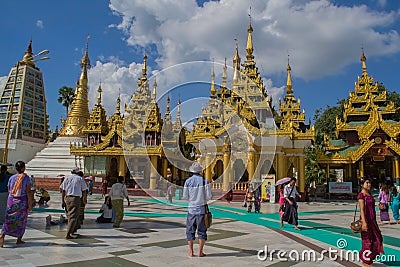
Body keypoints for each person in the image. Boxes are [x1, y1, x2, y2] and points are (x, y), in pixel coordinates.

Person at [0, 161, 33, 247]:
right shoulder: (26, 178)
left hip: (11, 200)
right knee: (21, 220)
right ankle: (19, 239)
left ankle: (2, 234)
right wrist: (30, 203)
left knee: (9, 218)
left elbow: (9, 189)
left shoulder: (12, 177)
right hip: (21, 201)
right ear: (23, 168)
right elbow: (28, 191)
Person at [182, 162, 212, 257]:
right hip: (201, 210)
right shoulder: (205, 181)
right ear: (200, 171)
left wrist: (192, 200)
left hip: (191, 210)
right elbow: (209, 196)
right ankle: (200, 252)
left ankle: (191, 252)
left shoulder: (188, 181)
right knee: (202, 231)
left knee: (190, 231)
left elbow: (185, 196)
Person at [358, 177, 384, 266]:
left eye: (369, 183)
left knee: (377, 239)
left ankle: (370, 258)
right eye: (367, 183)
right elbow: (361, 209)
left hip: (373, 221)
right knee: (367, 241)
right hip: (366, 220)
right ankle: (366, 261)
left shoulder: (369, 194)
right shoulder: (361, 195)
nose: (369, 184)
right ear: (362, 184)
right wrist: (364, 222)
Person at [60, 167, 88, 239]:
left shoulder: (67, 178)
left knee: (69, 215)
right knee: (73, 216)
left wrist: (63, 201)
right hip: (76, 198)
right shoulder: (80, 179)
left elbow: (63, 190)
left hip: (68, 198)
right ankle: (68, 233)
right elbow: (84, 190)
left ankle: (71, 230)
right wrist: (84, 198)